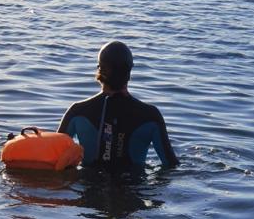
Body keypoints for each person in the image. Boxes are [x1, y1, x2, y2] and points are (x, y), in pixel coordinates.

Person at [58, 41, 179, 170]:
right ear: (129, 72)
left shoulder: (77, 111)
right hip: (134, 187)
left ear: (99, 70)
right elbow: (170, 166)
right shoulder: (151, 115)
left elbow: (54, 155)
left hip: (89, 186)